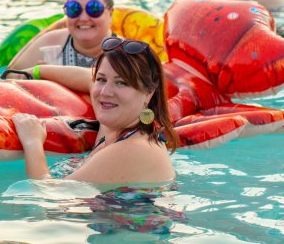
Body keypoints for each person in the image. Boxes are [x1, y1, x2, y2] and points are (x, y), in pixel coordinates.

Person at [11, 36, 177, 184]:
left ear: (149, 92)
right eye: (102, 79)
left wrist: (33, 142)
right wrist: (36, 71)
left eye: (122, 83)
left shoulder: (133, 149)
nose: (105, 92)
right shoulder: (119, 124)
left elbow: (47, 193)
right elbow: (87, 78)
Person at [9, 0, 115, 69]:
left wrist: (48, 72)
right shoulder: (49, 42)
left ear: (110, 13)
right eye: (74, 8)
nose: (83, 18)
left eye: (94, 8)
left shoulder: (124, 54)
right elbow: (9, 76)